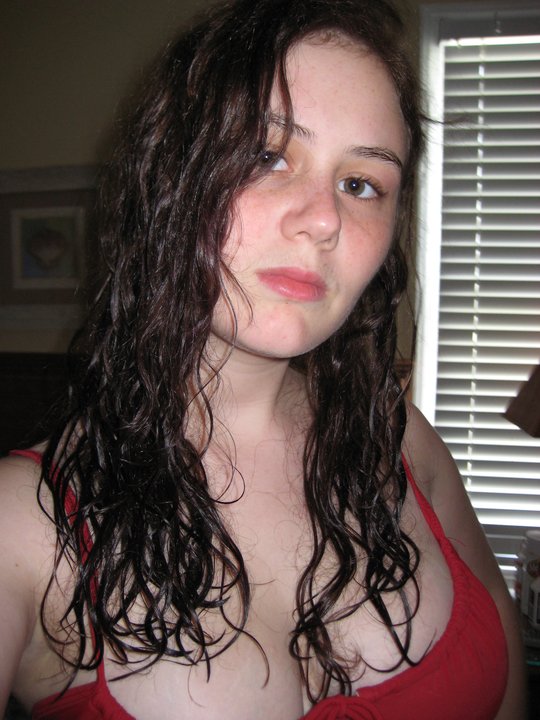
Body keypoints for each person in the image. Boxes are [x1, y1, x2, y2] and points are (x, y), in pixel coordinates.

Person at [0, 1, 526, 718]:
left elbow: (498, 631)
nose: (325, 219)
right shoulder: (24, 527)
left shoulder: (401, 440)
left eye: (361, 184)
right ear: (169, 176)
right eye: (267, 156)